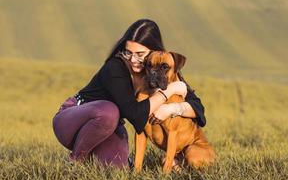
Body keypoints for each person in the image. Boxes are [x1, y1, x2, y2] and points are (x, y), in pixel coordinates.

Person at [52, 19, 206, 168]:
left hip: (107, 129)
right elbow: (135, 115)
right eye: (128, 52)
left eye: (140, 54)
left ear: (154, 51)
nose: (133, 59)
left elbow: (198, 109)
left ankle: (91, 157)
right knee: (109, 111)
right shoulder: (115, 68)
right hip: (73, 121)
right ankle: (74, 161)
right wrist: (169, 91)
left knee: (118, 166)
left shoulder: (163, 68)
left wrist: (172, 109)